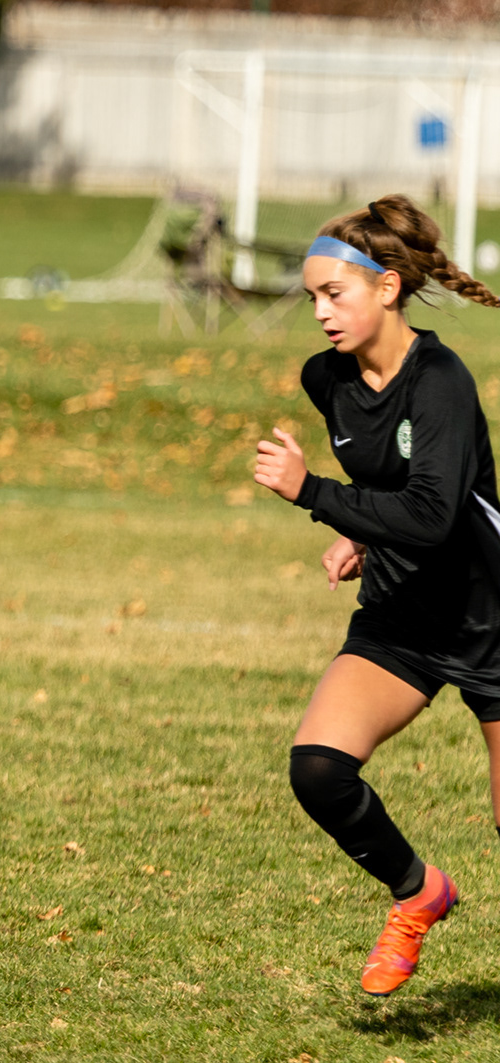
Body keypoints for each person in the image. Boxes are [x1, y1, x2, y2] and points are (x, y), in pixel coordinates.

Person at [255, 194, 500, 996]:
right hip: (404, 614)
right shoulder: (326, 379)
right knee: (319, 771)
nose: (321, 314)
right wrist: (364, 535)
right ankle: (418, 893)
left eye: (335, 294)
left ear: (388, 287)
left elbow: (433, 513)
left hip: (489, 615)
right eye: (312, 298)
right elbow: (393, 484)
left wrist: (313, 495)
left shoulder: (441, 381)